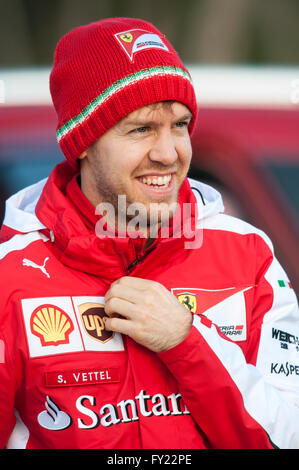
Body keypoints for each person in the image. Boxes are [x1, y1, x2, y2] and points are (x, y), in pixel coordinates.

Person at [0, 17, 298, 450]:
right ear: (82, 142)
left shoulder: (247, 255)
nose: (168, 153)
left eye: (179, 125)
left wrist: (186, 342)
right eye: (141, 129)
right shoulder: (12, 275)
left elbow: (288, 437)